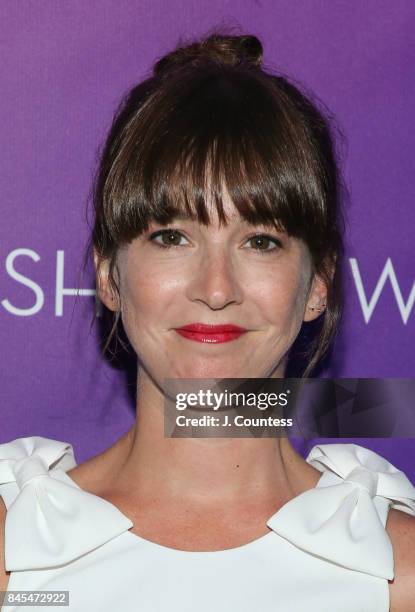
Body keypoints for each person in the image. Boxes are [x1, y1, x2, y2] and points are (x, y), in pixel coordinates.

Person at [1, 31, 415, 612]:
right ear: (108, 276)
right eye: (172, 237)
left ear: (318, 283)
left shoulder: (397, 574)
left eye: (261, 241)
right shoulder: (15, 554)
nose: (216, 289)